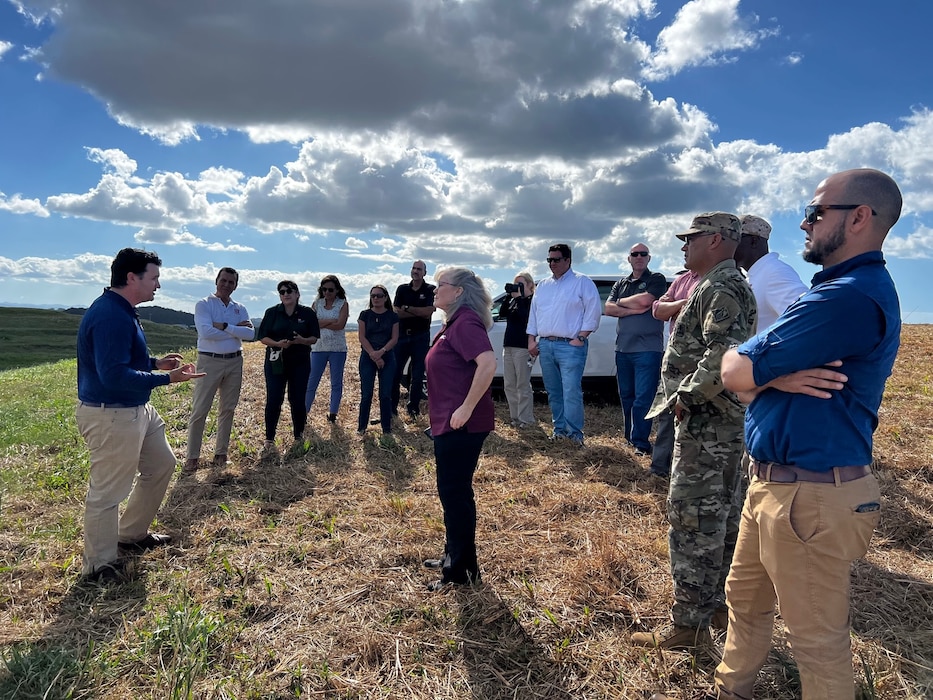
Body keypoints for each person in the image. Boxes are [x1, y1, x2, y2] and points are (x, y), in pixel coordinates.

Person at [712, 169, 903, 700]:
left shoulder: (845, 299)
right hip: (780, 487)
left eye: (816, 212)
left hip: (811, 495)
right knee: (744, 601)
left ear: (860, 218)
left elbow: (734, 371)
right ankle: (733, 689)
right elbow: (742, 376)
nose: (804, 222)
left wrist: (759, 373)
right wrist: (769, 377)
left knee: (815, 639)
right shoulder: (833, 292)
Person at [633, 213, 757, 651]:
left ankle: (688, 625)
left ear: (718, 240)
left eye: (692, 239)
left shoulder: (722, 286)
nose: (684, 247)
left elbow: (721, 357)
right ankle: (717, 609)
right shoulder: (717, 282)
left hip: (709, 426)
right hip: (718, 425)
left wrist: (683, 398)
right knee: (720, 519)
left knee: (693, 521)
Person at [76, 248, 204, 583]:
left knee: (162, 464)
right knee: (108, 492)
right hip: (113, 414)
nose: (158, 285)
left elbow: (122, 359)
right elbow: (113, 375)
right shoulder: (111, 316)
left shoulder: (123, 310)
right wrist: (167, 378)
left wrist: (153, 363)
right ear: (132, 277)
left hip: (135, 410)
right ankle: (98, 565)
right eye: (154, 277)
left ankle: (130, 535)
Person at [423, 267, 496, 591]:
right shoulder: (454, 322)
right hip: (450, 422)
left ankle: (462, 573)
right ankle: (453, 554)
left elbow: (488, 363)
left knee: (455, 495)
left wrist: (465, 408)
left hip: (462, 425)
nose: (435, 290)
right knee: (452, 493)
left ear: (458, 292)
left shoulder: (465, 322)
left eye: (441, 285)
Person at [526, 244, 602, 447]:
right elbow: (534, 314)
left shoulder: (582, 282)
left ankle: (575, 435)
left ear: (568, 260)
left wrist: (582, 337)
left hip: (570, 345)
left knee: (571, 391)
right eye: (549, 260)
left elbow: (593, 310)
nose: (552, 264)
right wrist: (531, 340)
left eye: (556, 260)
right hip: (546, 345)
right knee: (553, 391)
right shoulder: (542, 285)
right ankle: (559, 431)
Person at [185, 267, 254, 472]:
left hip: (234, 361)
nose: (226, 285)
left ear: (235, 285)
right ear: (216, 281)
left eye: (231, 282)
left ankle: (221, 454)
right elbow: (206, 332)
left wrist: (224, 326)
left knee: (228, 408)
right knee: (200, 409)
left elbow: (250, 334)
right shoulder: (204, 304)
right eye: (223, 280)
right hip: (210, 361)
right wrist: (235, 330)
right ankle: (192, 457)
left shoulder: (239, 307)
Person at [604, 243, 668, 456]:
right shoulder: (620, 283)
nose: (639, 257)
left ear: (649, 258)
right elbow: (608, 308)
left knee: (643, 397)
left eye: (643, 254)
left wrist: (621, 304)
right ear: (628, 258)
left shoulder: (656, 279)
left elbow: (647, 300)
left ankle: (641, 442)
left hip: (647, 350)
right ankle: (629, 439)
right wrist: (633, 309)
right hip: (623, 349)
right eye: (635, 254)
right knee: (627, 396)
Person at [648, 269, 701, 477]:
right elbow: (658, 310)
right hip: (674, 362)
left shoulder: (717, 279)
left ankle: (688, 471)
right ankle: (659, 468)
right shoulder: (682, 280)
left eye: (691, 242)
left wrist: (675, 307)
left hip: (700, 364)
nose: (685, 249)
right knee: (667, 414)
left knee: (695, 418)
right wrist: (680, 304)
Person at [257, 281, 319, 452]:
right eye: (282, 292)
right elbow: (262, 337)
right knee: (274, 399)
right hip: (276, 362)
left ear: (297, 294)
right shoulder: (272, 313)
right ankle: (269, 439)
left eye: (289, 291)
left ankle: (299, 436)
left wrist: (302, 340)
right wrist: (278, 343)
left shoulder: (307, 313)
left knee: (297, 399)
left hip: (300, 362)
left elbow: (314, 338)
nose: (286, 294)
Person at [734, 214, 808, 332]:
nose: (728, 247)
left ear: (754, 241)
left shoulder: (775, 272)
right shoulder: (756, 275)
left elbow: (806, 320)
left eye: (735, 239)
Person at [392, 260, 436, 418]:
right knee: (395, 373)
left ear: (425, 272)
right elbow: (396, 312)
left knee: (417, 375)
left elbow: (428, 312)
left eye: (419, 269)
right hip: (402, 336)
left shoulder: (430, 289)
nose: (415, 271)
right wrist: (418, 311)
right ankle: (392, 409)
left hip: (421, 337)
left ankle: (413, 409)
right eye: (414, 268)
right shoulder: (402, 289)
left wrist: (408, 308)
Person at [304, 275, 349, 423]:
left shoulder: (343, 304)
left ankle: (333, 414)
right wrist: (331, 320)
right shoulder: (316, 304)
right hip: (318, 348)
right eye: (324, 289)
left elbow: (340, 325)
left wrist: (320, 323)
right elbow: (310, 324)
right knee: (311, 381)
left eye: (330, 289)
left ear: (337, 290)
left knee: (336, 383)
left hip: (338, 349)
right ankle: (303, 413)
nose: (327, 292)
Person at [358, 285, 399, 435]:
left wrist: (381, 352)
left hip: (387, 356)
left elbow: (394, 338)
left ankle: (386, 429)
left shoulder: (392, 316)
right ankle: (361, 428)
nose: (376, 298)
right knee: (366, 394)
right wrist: (374, 355)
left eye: (379, 295)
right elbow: (362, 337)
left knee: (385, 394)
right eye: (373, 295)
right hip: (368, 356)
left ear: (386, 297)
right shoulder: (364, 315)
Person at [498, 271, 536, 428]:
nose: (517, 287)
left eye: (520, 284)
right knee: (509, 384)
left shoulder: (532, 301)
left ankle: (526, 419)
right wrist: (509, 296)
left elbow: (525, 317)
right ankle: (515, 417)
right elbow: (502, 313)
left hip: (522, 347)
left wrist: (520, 298)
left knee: (522, 384)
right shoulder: (515, 300)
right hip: (509, 345)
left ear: (530, 285)